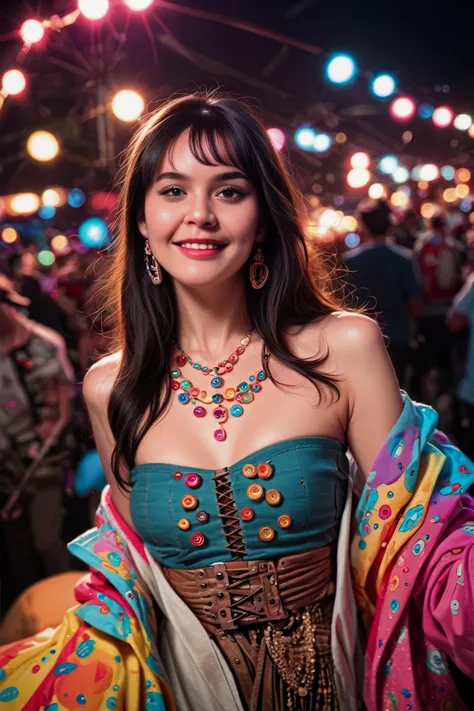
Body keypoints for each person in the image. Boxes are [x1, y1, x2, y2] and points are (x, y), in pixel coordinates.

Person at [2, 93, 474, 711]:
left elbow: (423, 547)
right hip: (186, 688)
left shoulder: (345, 346)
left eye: (229, 190)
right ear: (141, 219)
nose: (200, 214)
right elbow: (132, 585)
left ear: (263, 217)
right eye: (172, 191)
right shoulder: (109, 387)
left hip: (332, 686)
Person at [0, 274, 75, 607]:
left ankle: (68, 606)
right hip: (5, 464)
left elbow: (61, 414)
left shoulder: (44, 343)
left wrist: (41, 452)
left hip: (44, 463)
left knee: (47, 541)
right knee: (17, 551)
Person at [343, 199, 422, 386]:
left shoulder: (351, 262)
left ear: (363, 226)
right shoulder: (404, 258)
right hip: (397, 338)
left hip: (360, 343)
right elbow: (416, 305)